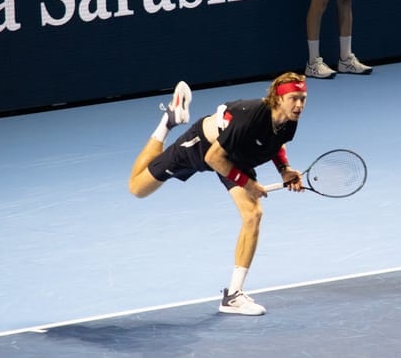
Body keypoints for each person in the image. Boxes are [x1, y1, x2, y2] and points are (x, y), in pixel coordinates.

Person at [129, 73, 308, 315]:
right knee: (138, 188)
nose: (299, 105)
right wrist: (248, 184)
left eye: (303, 99)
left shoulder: (289, 120)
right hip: (202, 146)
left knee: (253, 214)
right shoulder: (251, 118)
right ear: (278, 98)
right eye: (294, 98)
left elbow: (277, 143)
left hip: (235, 155)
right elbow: (213, 158)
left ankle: (233, 296)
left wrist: (284, 170)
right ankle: (168, 121)